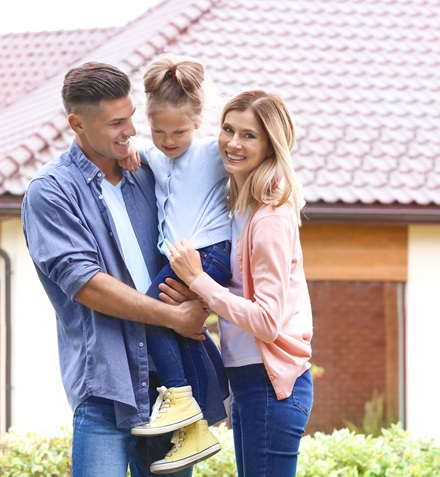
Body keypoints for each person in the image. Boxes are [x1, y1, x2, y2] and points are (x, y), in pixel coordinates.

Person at [20, 61, 228, 477]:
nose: (131, 131)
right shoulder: (51, 192)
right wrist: (172, 315)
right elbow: (87, 286)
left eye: (131, 117)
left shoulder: (147, 173)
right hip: (108, 389)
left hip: (168, 388)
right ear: (77, 124)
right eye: (116, 123)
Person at [168, 90, 314, 476]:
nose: (233, 143)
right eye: (228, 129)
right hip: (248, 378)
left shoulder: (268, 219)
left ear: (269, 145)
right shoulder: (239, 208)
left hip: (269, 382)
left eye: (248, 135)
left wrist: (199, 282)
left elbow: (267, 320)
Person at [119, 54, 230, 473]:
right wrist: (132, 149)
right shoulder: (156, 154)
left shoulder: (210, 152)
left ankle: (182, 399)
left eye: (179, 131)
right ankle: (196, 425)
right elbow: (140, 151)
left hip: (208, 255)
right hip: (184, 260)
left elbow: (264, 147)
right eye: (159, 130)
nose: (169, 140)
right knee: (174, 326)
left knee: (150, 313)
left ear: (198, 120)